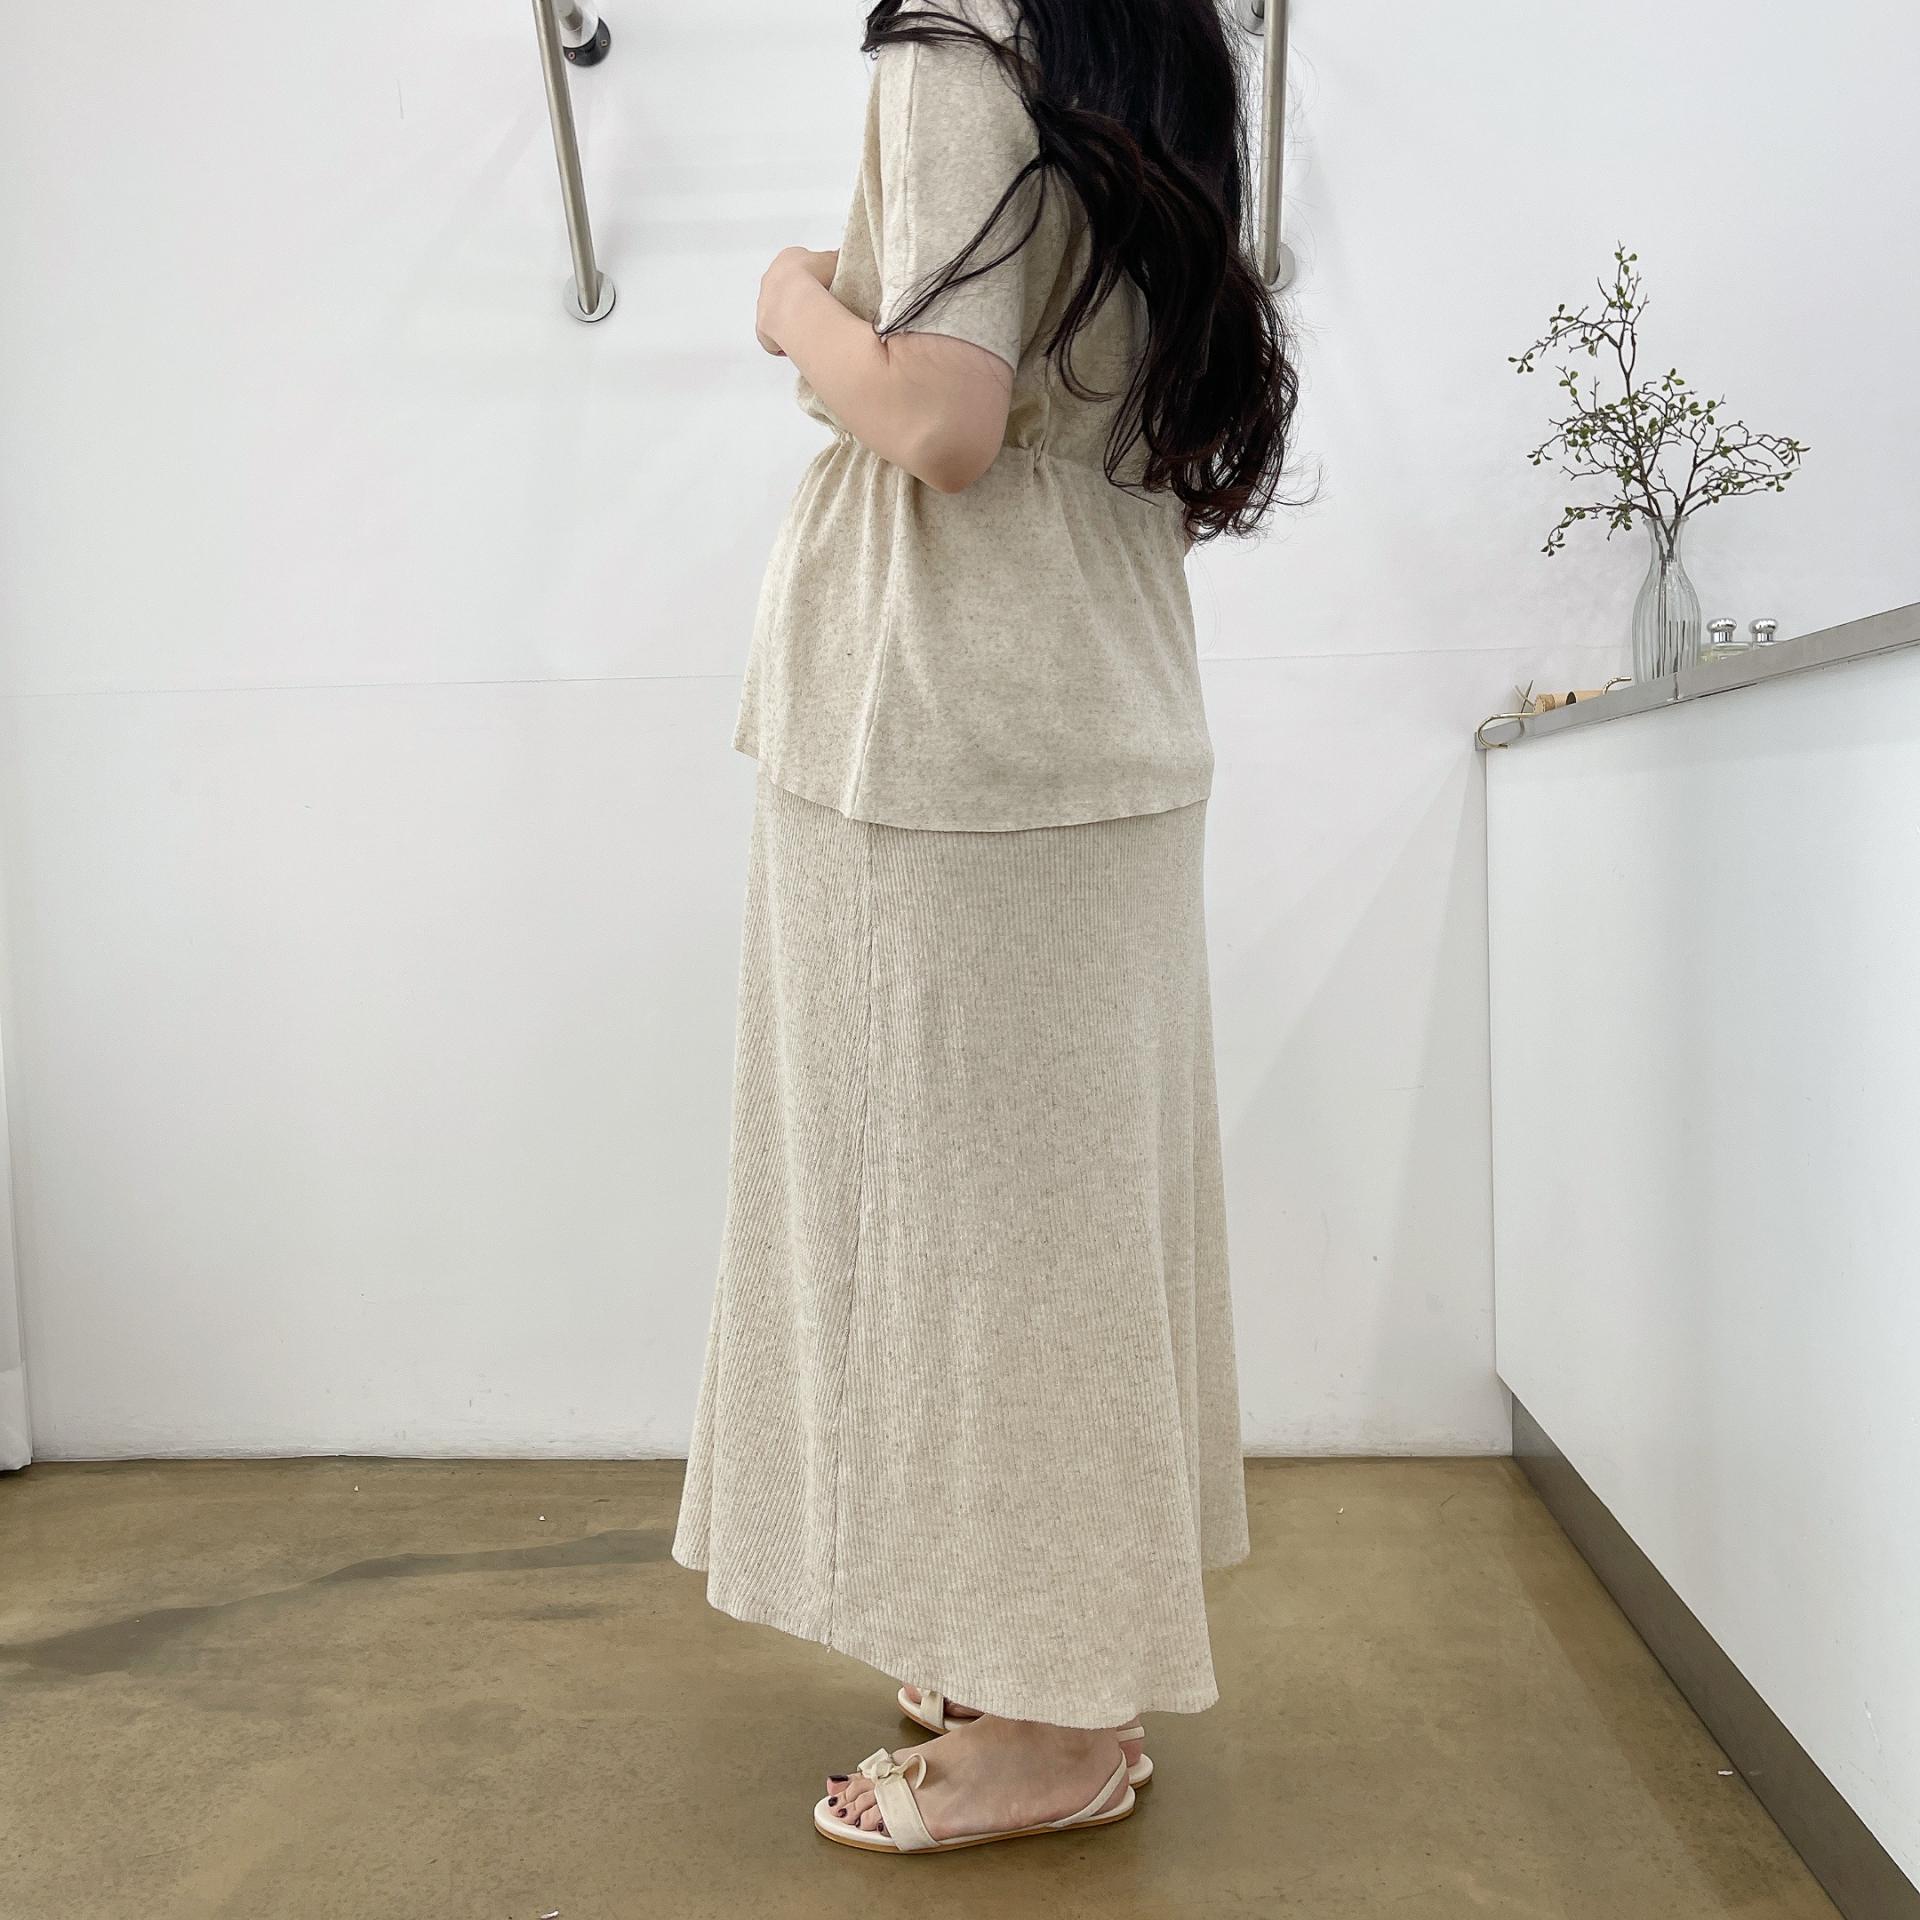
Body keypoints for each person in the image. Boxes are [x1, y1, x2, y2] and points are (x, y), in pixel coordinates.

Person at [671, 0, 1297, 1857]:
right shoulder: (1147, 48)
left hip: (942, 721)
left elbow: (939, 419)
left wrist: (793, 303)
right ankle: (1048, 1650)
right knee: (1056, 1231)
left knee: (969, 1234)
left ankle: (1052, 1727)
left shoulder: (958, 49)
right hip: (1097, 692)